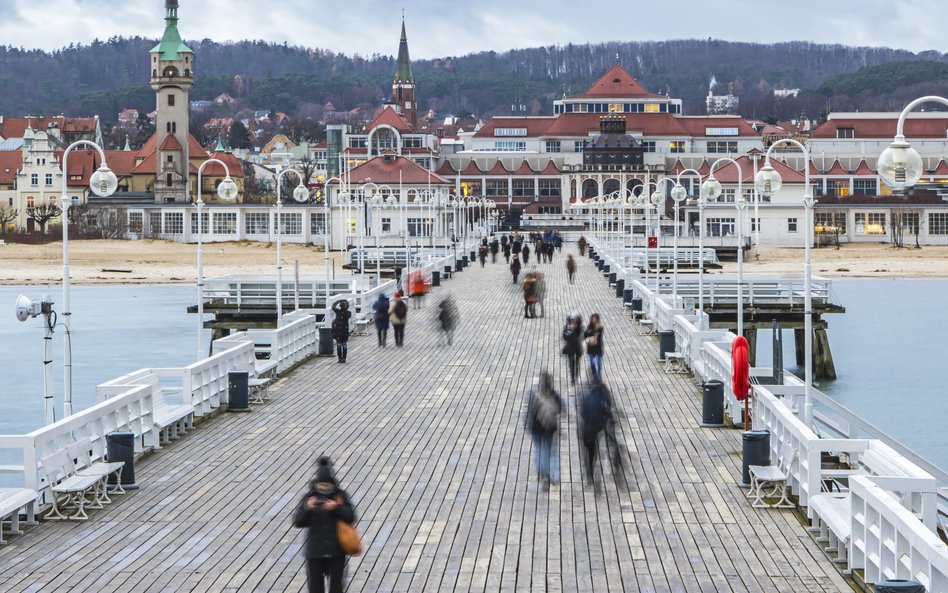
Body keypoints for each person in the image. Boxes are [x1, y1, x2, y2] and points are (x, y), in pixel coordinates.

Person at [292, 457, 356, 593]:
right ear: (316, 484)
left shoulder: (340, 496)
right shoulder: (309, 498)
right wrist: (307, 508)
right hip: (315, 553)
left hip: (336, 553)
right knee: (315, 589)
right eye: (321, 486)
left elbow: (351, 517)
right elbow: (298, 522)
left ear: (332, 484)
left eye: (327, 486)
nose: (324, 489)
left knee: (336, 588)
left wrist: (336, 507)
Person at [578, 376, 619, 488]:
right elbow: (607, 410)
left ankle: (589, 474)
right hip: (599, 426)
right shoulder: (601, 398)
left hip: (589, 428)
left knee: (591, 452)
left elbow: (582, 413)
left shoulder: (587, 398)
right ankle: (614, 465)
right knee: (607, 441)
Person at [525, 372, 563, 485]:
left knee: (538, 450)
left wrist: (528, 424)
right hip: (549, 428)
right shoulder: (554, 395)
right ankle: (553, 475)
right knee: (550, 450)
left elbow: (529, 412)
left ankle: (543, 473)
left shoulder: (533, 394)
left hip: (536, 428)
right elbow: (560, 408)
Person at [562, 312, 584, 386]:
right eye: (571, 320)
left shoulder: (579, 327)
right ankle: (572, 379)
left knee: (577, 364)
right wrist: (569, 332)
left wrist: (575, 330)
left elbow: (581, 336)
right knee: (571, 364)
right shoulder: (567, 327)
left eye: (574, 319)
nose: (573, 321)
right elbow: (564, 337)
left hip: (577, 347)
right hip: (570, 348)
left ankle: (576, 378)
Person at [584, 313, 604, 379]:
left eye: (595, 319)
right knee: (592, 363)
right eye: (593, 319)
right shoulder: (589, 327)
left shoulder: (600, 328)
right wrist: (590, 337)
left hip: (598, 348)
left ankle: (599, 374)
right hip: (591, 348)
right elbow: (585, 336)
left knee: (599, 362)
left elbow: (597, 338)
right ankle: (595, 375)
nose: (594, 321)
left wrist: (590, 337)